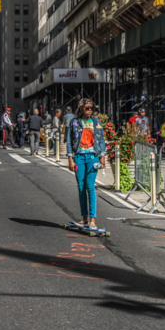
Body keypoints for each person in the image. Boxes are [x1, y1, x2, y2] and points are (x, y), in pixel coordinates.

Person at [66, 98, 106, 231]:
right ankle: (84, 219)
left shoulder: (96, 122)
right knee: (81, 188)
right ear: (81, 109)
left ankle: (93, 220)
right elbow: (70, 141)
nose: (90, 110)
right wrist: (70, 158)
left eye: (91, 108)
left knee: (90, 187)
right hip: (79, 158)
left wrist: (102, 156)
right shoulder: (75, 122)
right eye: (87, 108)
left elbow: (101, 140)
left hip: (92, 157)